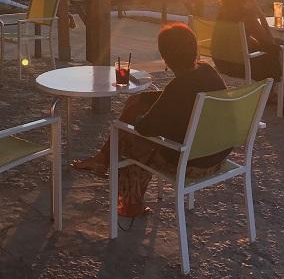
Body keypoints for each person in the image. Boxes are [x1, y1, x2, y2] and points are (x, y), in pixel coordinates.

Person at [73, 23, 229, 218]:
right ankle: (102, 159)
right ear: (194, 49)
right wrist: (144, 100)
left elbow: (145, 127)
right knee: (136, 101)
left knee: (133, 139)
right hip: (218, 156)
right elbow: (182, 95)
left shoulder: (177, 89)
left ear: (166, 58)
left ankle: (130, 204)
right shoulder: (207, 72)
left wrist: (136, 117)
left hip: (192, 164)